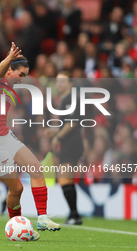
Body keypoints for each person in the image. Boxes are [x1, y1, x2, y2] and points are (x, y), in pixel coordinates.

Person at [0, 42, 61, 241]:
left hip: (5, 135)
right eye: (21, 74)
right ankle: (16, 227)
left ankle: (42, 217)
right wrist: (8, 58)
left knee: (36, 168)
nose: (23, 78)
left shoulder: (10, 89)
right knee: (16, 188)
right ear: (10, 70)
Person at [51, 71, 84, 225]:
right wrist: (53, 132)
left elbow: (73, 122)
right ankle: (74, 214)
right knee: (67, 179)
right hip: (71, 142)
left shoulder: (71, 99)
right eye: (58, 81)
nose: (59, 84)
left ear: (71, 83)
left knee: (64, 178)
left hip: (72, 143)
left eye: (63, 81)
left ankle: (74, 214)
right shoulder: (66, 100)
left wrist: (58, 137)